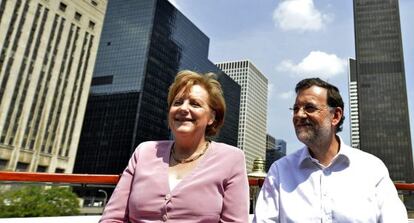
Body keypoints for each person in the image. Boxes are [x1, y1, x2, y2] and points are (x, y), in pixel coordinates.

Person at [100, 70, 249, 223]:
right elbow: (112, 218)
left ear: (211, 117)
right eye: (177, 102)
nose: (183, 109)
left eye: (194, 104)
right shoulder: (144, 152)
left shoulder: (231, 159)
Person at [253, 78, 407, 222]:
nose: (299, 115)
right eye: (295, 109)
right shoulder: (279, 171)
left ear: (336, 116)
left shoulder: (372, 168)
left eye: (310, 108)